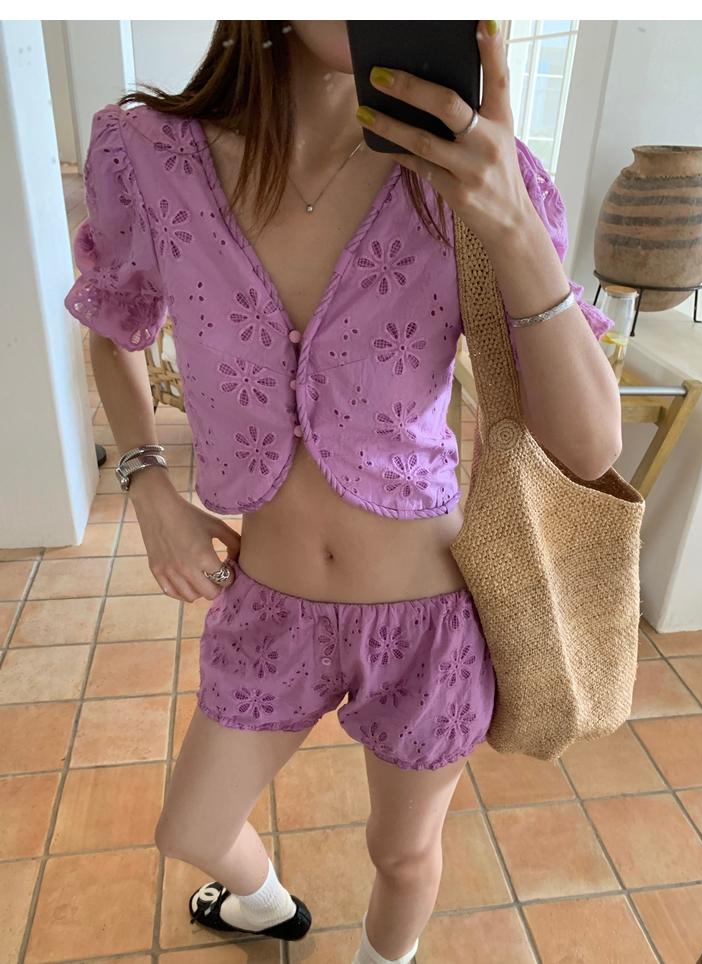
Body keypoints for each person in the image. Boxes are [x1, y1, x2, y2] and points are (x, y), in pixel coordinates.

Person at [65, 19, 621, 964]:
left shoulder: (472, 174)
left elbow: (589, 445)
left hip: (429, 615)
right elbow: (113, 325)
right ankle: (261, 905)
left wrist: (513, 225)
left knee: (401, 855)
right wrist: (146, 483)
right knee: (190, 828)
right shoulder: (149, 155)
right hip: (266, 603)